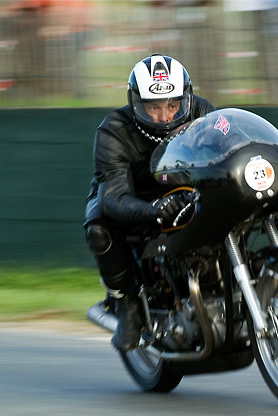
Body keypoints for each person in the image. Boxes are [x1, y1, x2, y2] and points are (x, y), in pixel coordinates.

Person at [84, 54, 215, 351]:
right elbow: (114, 196)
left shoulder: (204, 113)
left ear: (186, 97)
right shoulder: (113, 131)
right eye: (153, 107)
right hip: (132, 197)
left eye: (172, 104)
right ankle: (127, 304)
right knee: (98, 225)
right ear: (135, 104)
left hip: (185, 188)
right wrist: (152, 209)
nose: (165, 115)